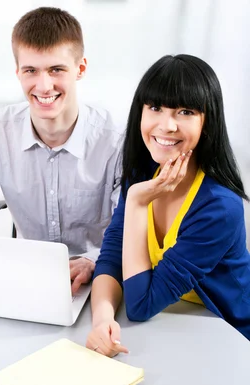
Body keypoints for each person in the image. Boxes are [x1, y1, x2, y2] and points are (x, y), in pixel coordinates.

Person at [0, 7, 122, 293]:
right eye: (31, 70)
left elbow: (131, 229)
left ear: (80, 69)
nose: (43, 85)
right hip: (25, 280)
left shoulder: (116, 140)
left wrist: (93, 261)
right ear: (18, 72)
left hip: (100, 279)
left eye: (56, 69)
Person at [87, 54, 250, 357]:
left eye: (185, 111)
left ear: (207, 121)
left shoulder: (219, 208)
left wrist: (136, 202)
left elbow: (140, 305)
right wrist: (103, 319)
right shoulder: (143, 172)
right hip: (172, 328)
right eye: (155, 108)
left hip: (229, 339)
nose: (167, 125)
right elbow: (111, 259)